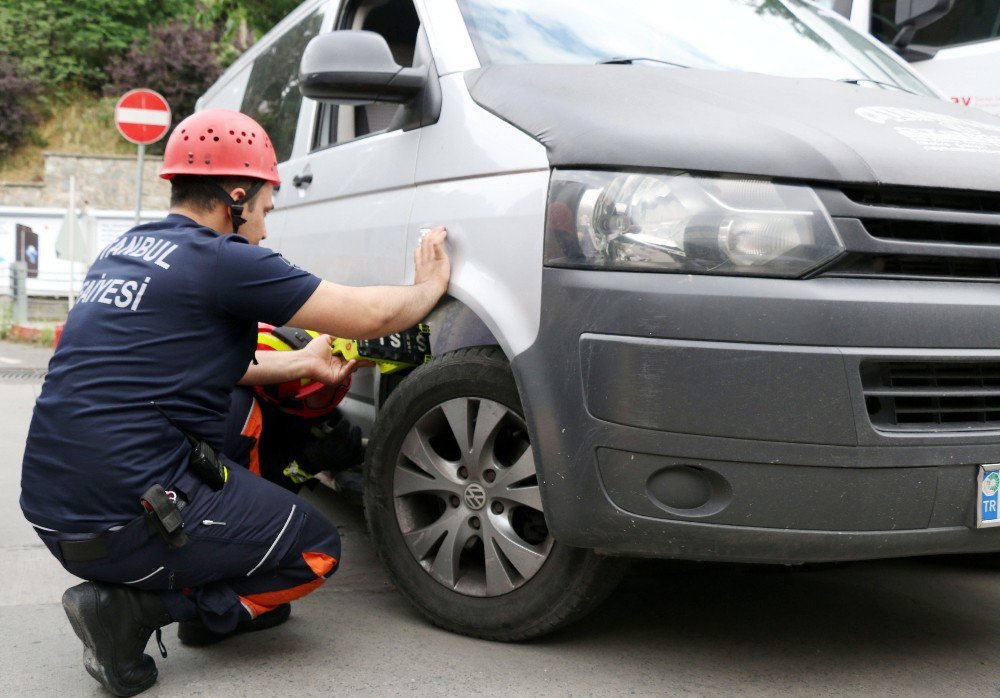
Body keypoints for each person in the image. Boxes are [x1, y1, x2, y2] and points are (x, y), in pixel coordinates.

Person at [19, 108, 451, 697]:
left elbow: (194, 361)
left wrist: (300, 362)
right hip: (123, 518)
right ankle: (143, 609)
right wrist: (428, 285)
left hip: (53, 513)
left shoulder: (126, 250)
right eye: (267, 211)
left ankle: (169, 580)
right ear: (238, 198)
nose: (266, 230)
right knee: (318, 550)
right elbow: (371, 315)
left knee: (231, 406)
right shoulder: (222, 258)